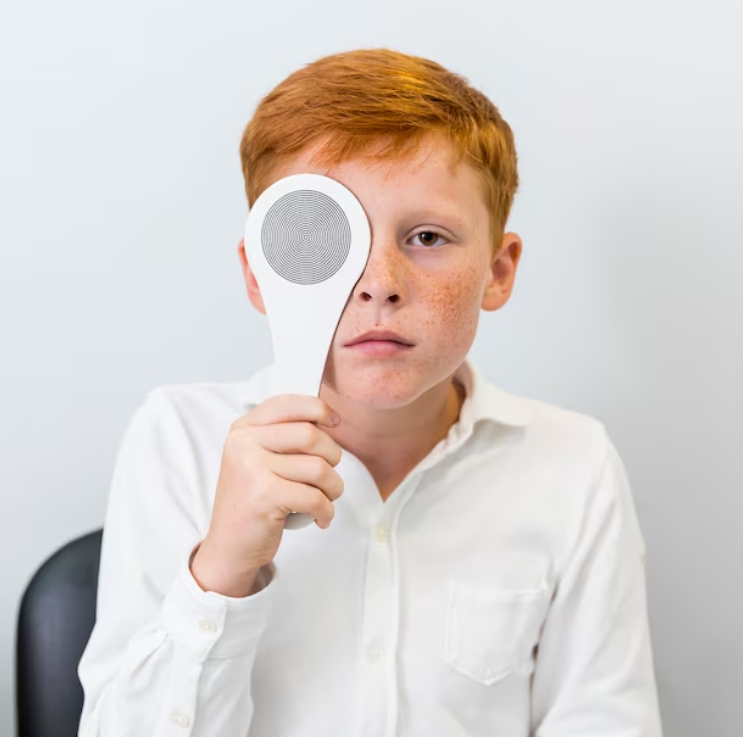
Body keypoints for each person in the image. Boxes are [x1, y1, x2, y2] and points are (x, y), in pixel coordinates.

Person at [77, 47, 663, 736]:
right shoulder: (178, 440)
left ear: (498, 271)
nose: (378, 282)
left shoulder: (573, 464)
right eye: (324, 240)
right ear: (261, 275)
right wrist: (222, 569)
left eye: (426, 236)